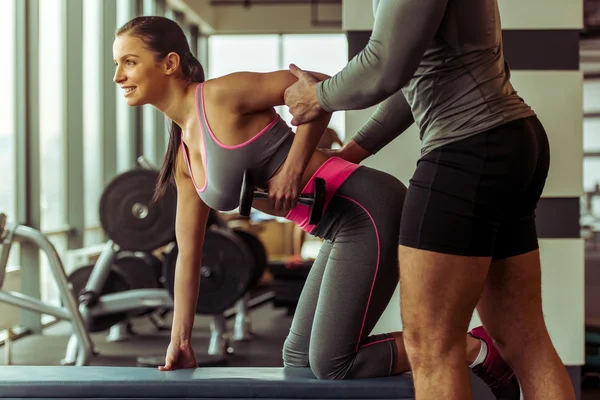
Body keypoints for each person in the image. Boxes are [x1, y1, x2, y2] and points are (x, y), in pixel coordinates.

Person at [112, 15, 512, 387]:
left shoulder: (219, 96)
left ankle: (474, 348)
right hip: (338, 228)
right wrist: (180, 340)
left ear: (169, 63)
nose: (118, 76)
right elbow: (188, 255)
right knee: (298, 358)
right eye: (117, 65)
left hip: (366, 208)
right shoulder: (183, 157)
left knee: (331, 362)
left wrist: (293, 167)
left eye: (129, 62)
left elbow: (318, 87)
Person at [283, 0, 576, 399]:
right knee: (522, 338)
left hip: (468, 146)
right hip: (508, 137)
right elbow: (412, 79)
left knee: (432, 346)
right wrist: (351, 152)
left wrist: (318, 96)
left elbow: (384, 64)